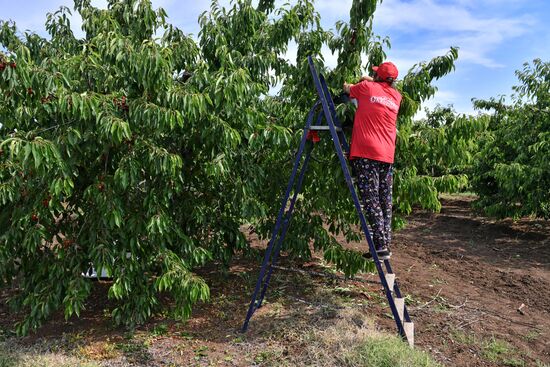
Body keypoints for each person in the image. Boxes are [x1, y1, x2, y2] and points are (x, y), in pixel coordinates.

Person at [343, 62, 402, 260]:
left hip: (366, 151)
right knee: (385, 199)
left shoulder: (366, 88)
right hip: (387, 153)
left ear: (378, 77)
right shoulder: (396, 96)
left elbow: (348, 89)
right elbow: (381, 86)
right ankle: (385, 243)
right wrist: (372, 80)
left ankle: (380, 245)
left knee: (371, 199)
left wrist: (353, 83)